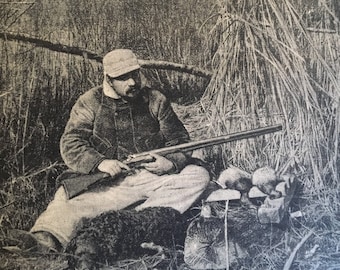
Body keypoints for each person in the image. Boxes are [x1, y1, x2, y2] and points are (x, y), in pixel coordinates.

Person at [26, 49, 210, 251]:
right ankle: (45, 241)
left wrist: (170, 162)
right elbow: (71, 142)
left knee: (197, 176)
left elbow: (179, 139)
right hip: (109, 182)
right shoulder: (90, 102)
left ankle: (137, 221)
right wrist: (100, 163)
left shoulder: (156, 100)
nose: (132, 82)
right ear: (108, 79)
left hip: (152, 177)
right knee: (67, 201)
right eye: (123, 77)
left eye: (135, 74)